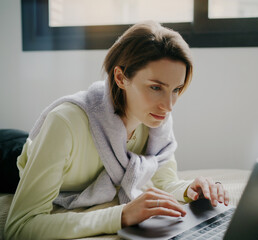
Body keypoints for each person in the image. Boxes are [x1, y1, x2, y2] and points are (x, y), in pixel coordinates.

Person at [4, 21, 229, 239]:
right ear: (121, 78)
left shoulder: (155, 120)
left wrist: (191, 189)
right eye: (155, 87)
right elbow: (20, 226)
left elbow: (165, 181)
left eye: (176, 89)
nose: (168, 105)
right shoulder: (64, 122)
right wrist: (120, 215)